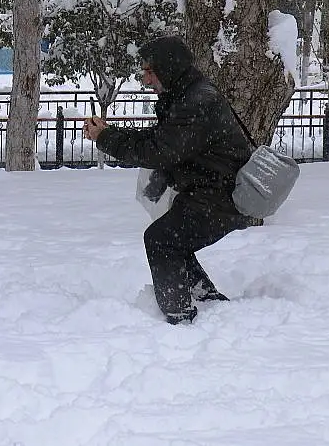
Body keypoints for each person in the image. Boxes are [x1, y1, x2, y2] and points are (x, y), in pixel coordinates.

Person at [82, 35, 253, 325]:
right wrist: (110, 133)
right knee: (171, 238)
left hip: (221, 196)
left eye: (150, 71)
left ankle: (179, 317)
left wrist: (106, 138)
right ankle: (207, 300)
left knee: (161, 239)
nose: (146, 80)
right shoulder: (185, 94)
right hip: (208, 191)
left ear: (169, 67)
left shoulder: (196, 102)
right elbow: (160, 139)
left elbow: (158, 151)